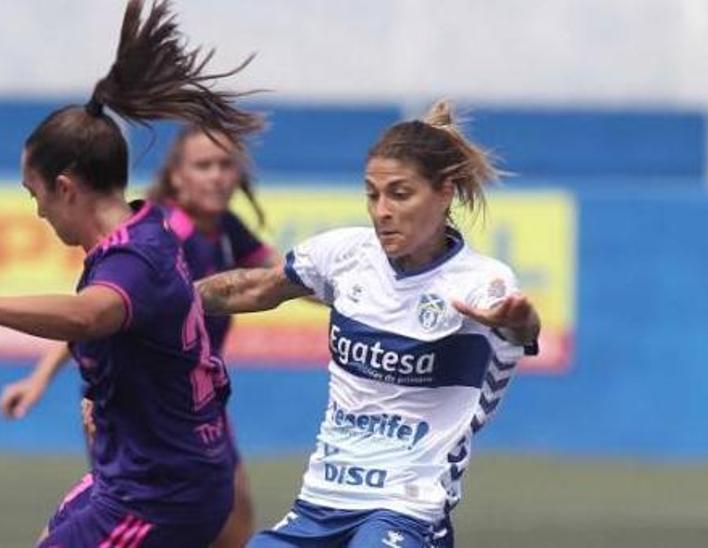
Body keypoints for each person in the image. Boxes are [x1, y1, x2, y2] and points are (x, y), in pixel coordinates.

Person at [0, 1, 264, 545]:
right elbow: (114, 327)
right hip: (143, 473)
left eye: (34, 194)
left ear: (65, 187)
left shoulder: (133, 260)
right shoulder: (146, 229)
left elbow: (91, 315)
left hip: (157, 492)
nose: (36, 210)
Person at [193, 100, 542, 548]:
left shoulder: (479, 280)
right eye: (372, 194)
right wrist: (165, 297)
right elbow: (255, 289)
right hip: (319, 504)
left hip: (409, 509)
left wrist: (518, 321)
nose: (381, 211)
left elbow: (519, 328)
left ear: (445, 193)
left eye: (400, 194)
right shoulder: (344, 255)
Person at [0, 124, 274, 548]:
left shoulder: (224, 230)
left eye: (225, 165)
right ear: (177, 176)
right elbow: (91, 313)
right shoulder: (164, 237)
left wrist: (346, 285)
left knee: (231, 526)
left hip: (190, 409)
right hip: (146, 415)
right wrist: (39, 379)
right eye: (204, 165)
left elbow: (274, 279)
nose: (218, 175)